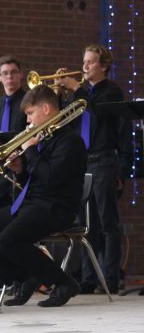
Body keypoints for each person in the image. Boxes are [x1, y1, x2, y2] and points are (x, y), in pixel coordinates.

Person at [0, 85, 87, 308]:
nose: (27, 120)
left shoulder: (70, 141)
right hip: (31, 203)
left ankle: (64, 283)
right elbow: (34, 181)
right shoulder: (42, 138)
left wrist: (31, 150)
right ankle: (25, 278)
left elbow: (51, 179)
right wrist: (18, 169)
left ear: (45, 109)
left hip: (57, 208)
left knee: (7, 240)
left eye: (30, 113)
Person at [56, 44, 124, 294]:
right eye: (84, 61)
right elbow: (64, 119)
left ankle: (110, 278)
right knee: (87, 225)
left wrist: (77, 89)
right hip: (82, 161)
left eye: (91, 62)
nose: (84, 66)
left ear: (103, 66)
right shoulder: (80, 93)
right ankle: (88, 278)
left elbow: (95, 113)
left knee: (108, 223)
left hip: (104, 160)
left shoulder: (112, 92)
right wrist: (61, 93)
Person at [0, 55, 27, 211]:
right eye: (5, 73)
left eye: (14, 72)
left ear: (21, 74)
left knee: (20, 214)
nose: (10, 76)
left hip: (22, 170)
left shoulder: (29, 102)